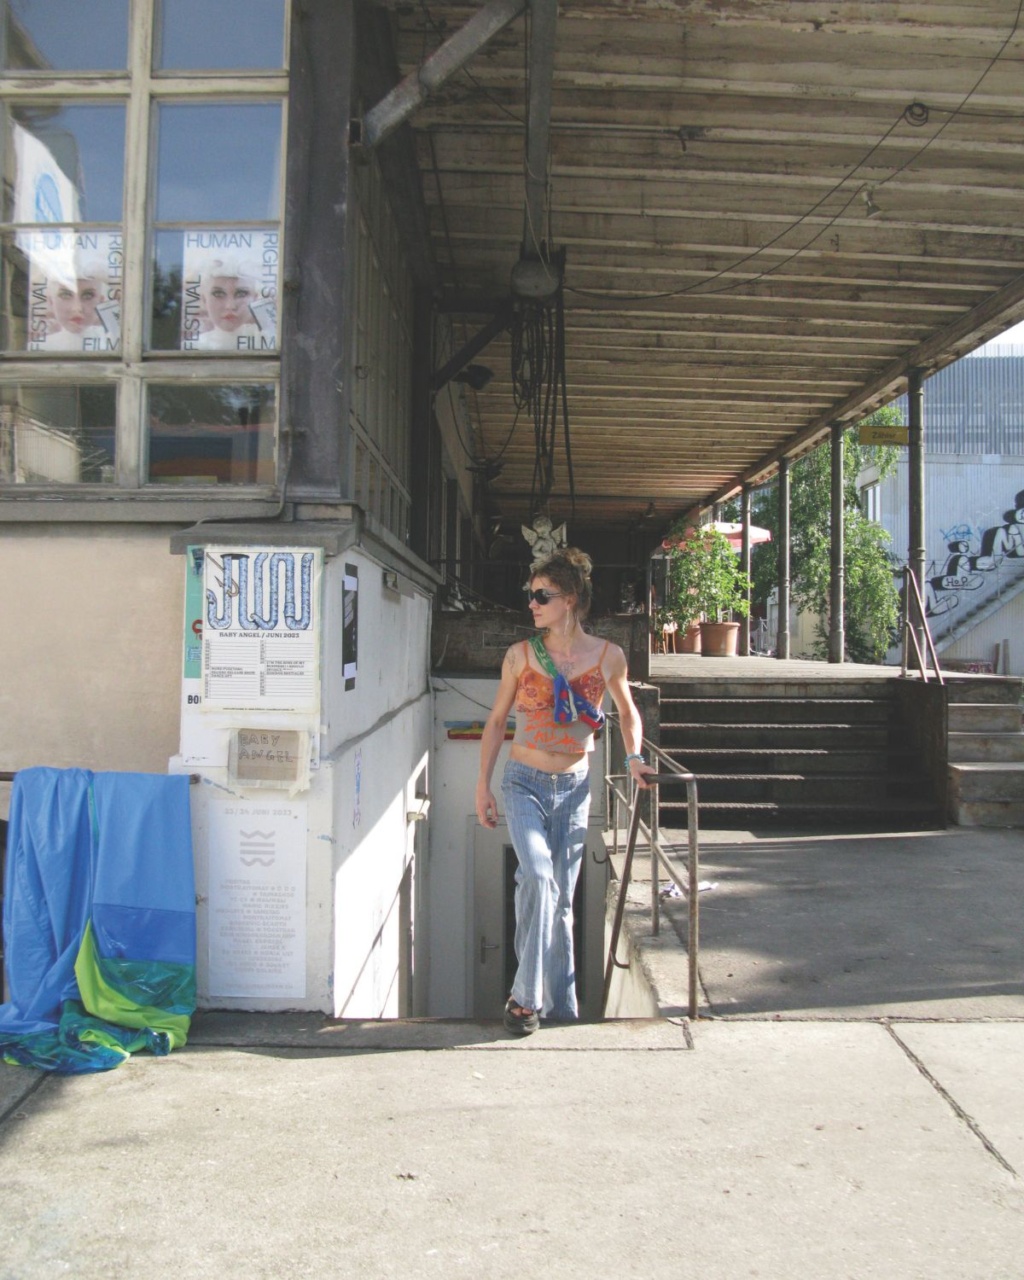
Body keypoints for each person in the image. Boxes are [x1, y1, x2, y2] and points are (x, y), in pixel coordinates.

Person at [475, 547, 656, 1035]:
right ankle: (526, 998)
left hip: (576, 788)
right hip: (523, 783)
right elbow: (496, 724)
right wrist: (482, 787)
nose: (532, 604)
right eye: (531, 595)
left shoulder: (607, 656)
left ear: (570, 599)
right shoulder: (520, 655)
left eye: (542, 595)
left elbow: (628, 713)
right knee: (539, 877)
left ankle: (562, 1007)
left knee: (556, 901)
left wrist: (634, 757)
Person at [195, 257, 275, 350]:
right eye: (218, 294)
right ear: (205, 300)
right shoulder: (195, 347)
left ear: (255, 298)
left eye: (241, 294)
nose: (230, 306)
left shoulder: (270, 343)